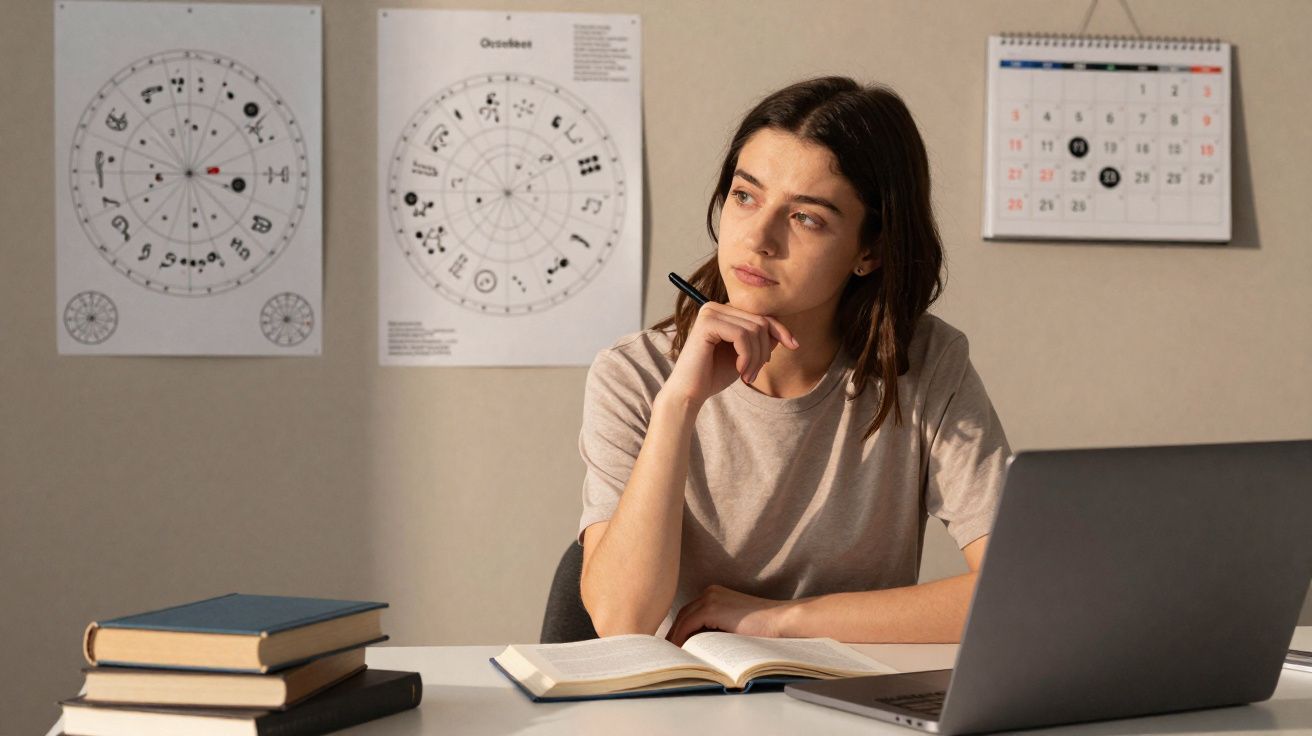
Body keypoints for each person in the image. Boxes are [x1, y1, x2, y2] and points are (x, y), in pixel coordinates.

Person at [576, 76, 1011, 646]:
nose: (758, 238)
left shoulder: (927, 365)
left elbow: (1017, 590)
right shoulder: (634, 374)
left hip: (851, 710)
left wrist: (778, 621)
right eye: (744, 196)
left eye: (806, 217)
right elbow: (622, 622)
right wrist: (679, 404)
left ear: (869, 251)